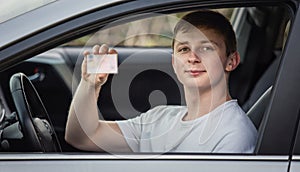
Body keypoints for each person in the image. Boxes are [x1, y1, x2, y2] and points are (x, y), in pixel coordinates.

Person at [65, 10, 257, 153]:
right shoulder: (159, 119)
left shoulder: (234, 134)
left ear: (231, 61)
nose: (193, 57)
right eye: (183, 49)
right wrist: (90, 85)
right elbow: (81, 136)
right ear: (174, 62)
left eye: (206, 48)